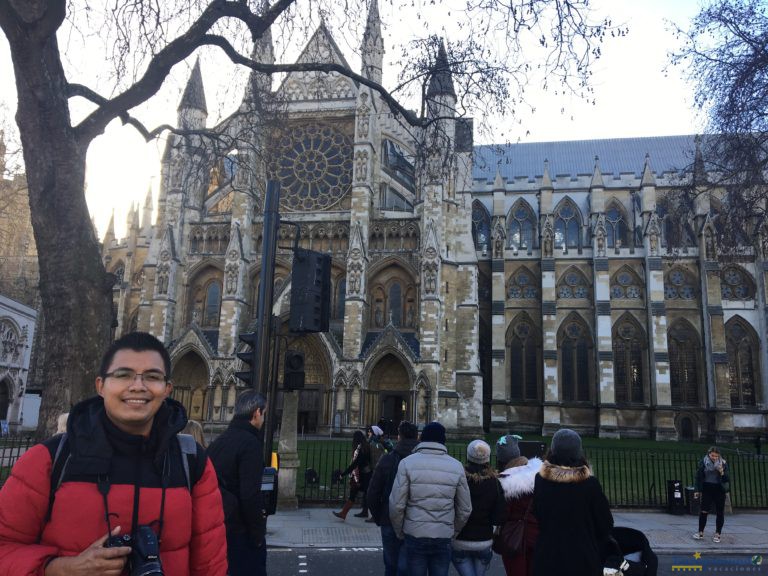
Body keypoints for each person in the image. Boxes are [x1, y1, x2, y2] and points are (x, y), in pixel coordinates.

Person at [0, 331, 227, 576]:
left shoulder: (192, 463)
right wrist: (60, 569)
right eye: (123, 375)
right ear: (100, 385)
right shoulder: (48, 460)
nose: (138, 386)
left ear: (167, 389)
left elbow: (211, 567)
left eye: (152, 376)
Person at [389, 421, 472, 576]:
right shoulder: (456, 466)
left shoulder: (407, 463)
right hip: (443, 535)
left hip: (414, 534)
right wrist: (452, 530)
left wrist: (401, 531)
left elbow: (396, 505)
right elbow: (465, 508)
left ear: (422, 439)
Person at [532, 429, 613, 576]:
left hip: (547, 558)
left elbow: (537, 514)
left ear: (553, 451)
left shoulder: (540, 480)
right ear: (578, 452)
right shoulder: (590, 484)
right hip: (582, 559)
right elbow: (605, 524)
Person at [207, 391, 269, 576]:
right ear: (256, 413)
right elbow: (250, 495)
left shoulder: (219, 441)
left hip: (218, 525)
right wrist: (257, 535)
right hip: (240, 531)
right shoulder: (250, 444)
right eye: (264, 414)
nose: (264, 419)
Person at [367, 420, 420, 576]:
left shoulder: (388, 459)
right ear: (417, 436)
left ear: (399, 437)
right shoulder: (423, 462)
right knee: (410, 566)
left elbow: (373, 493)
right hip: (415, 521)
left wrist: (380, 516)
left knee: (391, 566)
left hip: (389, 519)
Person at [451, 439, 507, 576]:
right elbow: (499, 516)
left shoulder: (459, 480)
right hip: (484, 540)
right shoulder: (494, 483)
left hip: (460, 539)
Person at [495, 435, 542, 576]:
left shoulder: (504, 483)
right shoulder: (539, 475)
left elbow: (502, 514)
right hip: (537, 536)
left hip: (513, 538)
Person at [332, 430, 372, 520]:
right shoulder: (365, 446)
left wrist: (343, 474)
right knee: (364, 494)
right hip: (367, 474)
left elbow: (354, 464)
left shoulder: (360, 449)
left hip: (362, 476)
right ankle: (362, 512)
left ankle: (344, 513)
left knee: (354, 494)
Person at [693, 446, 730, 543]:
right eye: (712, 455)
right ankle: (700, 532)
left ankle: (718, 534)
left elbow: (727, 479)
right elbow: (698, 477)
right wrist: (697, 490)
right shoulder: (703, 462)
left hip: (719, 489)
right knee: (704, 511)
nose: (714, 458)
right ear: (709, 454)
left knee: (719, 512)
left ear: (719, 456)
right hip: (707, 488)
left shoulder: (723, 463)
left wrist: (721, 472)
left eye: (716, 456)